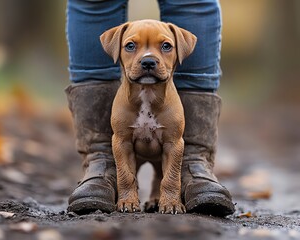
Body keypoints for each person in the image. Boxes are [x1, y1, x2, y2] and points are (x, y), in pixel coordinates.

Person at [65, 0, 235, 217]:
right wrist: (128, 188)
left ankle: (193, 163)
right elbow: (121, 141)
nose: (147, 59)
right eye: (130, 46)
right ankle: (101, 162)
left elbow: (173, 144)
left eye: (165, 46)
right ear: (115, 47)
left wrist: (169, 190)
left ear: (179, 49)